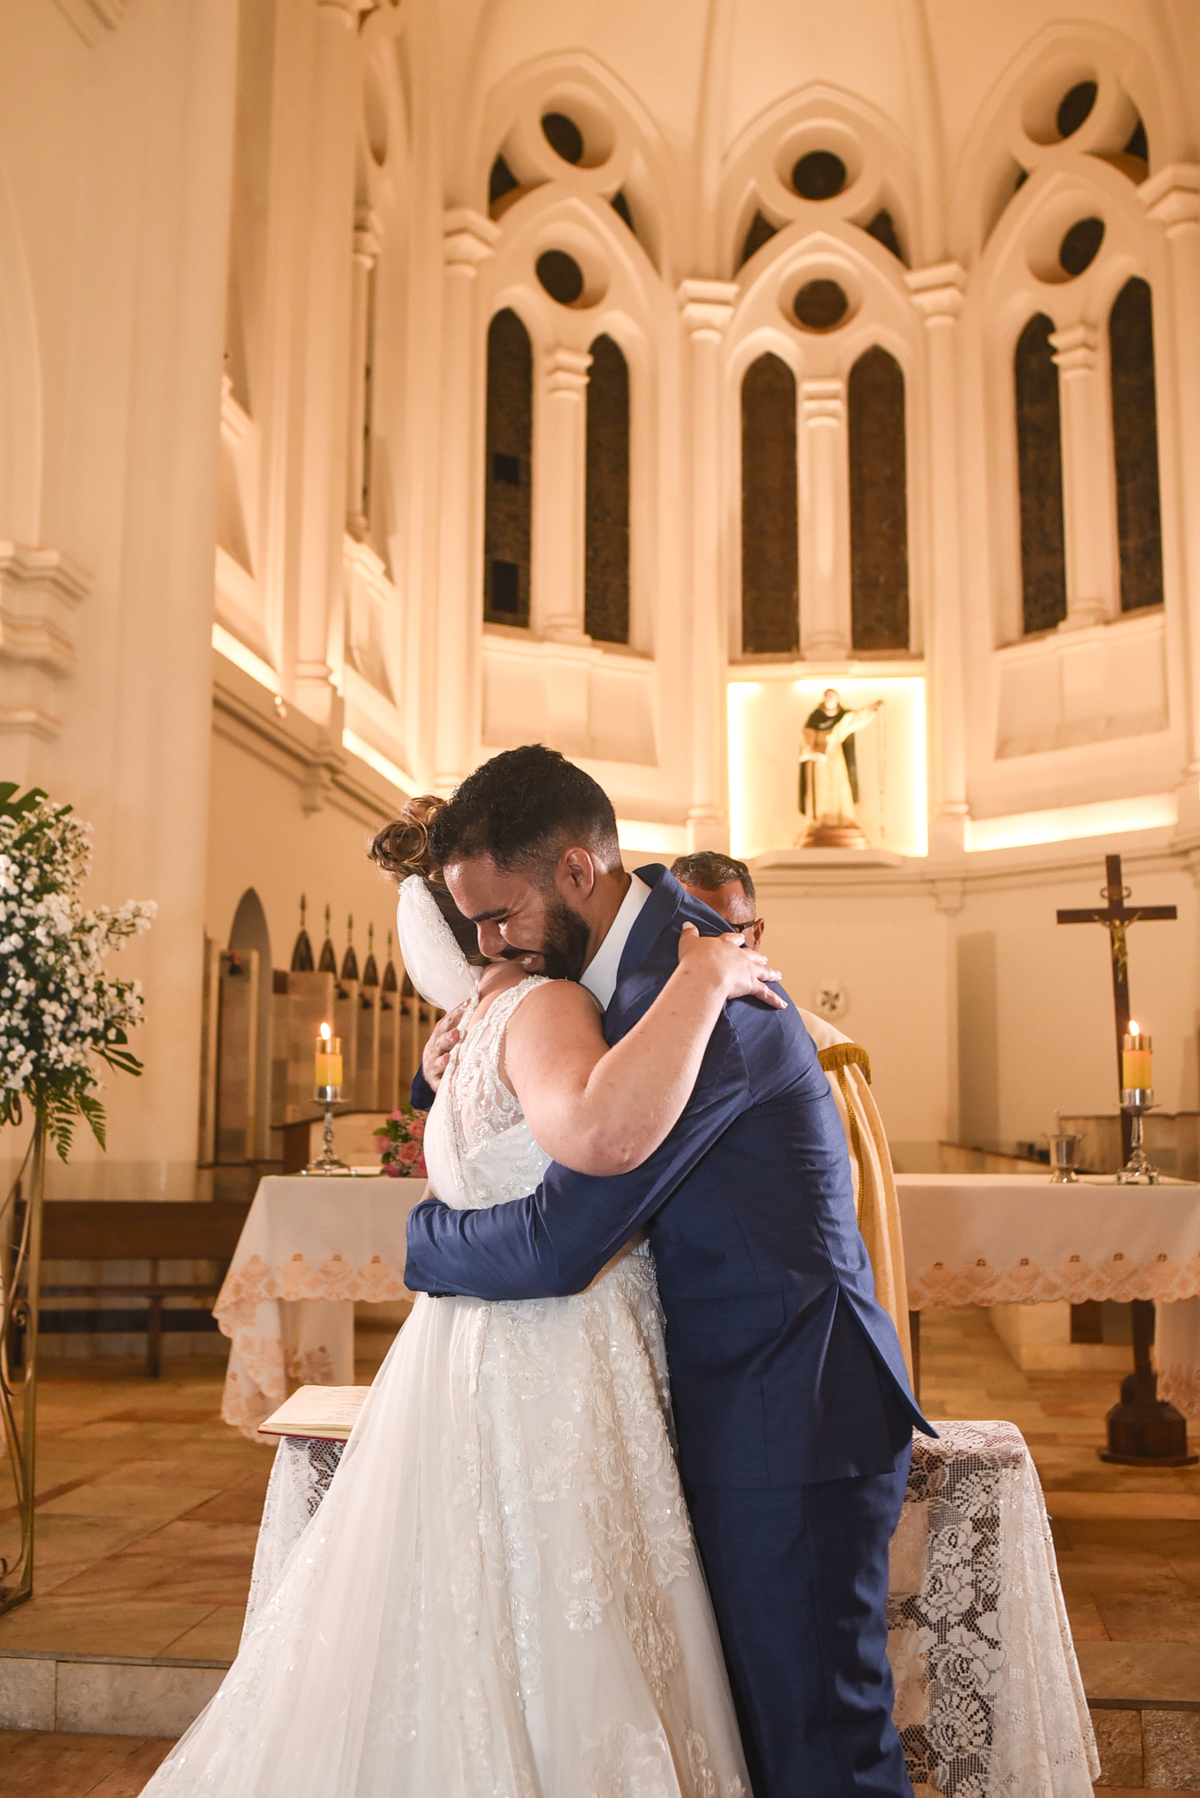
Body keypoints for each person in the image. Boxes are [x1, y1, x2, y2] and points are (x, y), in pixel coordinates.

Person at [140, 796, 780, 1798]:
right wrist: (699, 985)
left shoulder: (461, 1036)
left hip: (462, 1352)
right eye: (495, 912)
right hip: (558, 1353)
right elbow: (598, 1136)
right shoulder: (547, 1007)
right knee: (570, 1618)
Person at [405, 745, 932, 1798]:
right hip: (719, 1404)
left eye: (499, 915)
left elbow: (564, 1238)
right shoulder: (608, 984)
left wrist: (422, 1242)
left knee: (820, 1749)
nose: (487, 945)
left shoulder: (704, 1001)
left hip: (791, 1411)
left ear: (576, 872)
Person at [669, 852, 913, 1380]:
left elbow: (845, 1206)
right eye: (691, 929)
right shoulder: (643, 1041)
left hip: (790, 1316)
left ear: (755, 934)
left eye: (725, 931)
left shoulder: (824, 1051)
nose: (711, 950)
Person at [798, 687, 882, 840]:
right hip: (818, 761)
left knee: (839, 786)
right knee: (821, 789)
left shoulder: (842, 718)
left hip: (835, 757)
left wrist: (872, 709)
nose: (829, 699)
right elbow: (806, 736)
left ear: (837, 699)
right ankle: (820, 820)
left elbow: (857, 718)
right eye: (827, 696)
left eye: (832, 696)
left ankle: (843, 819)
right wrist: (811, 749)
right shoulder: (815, 718)